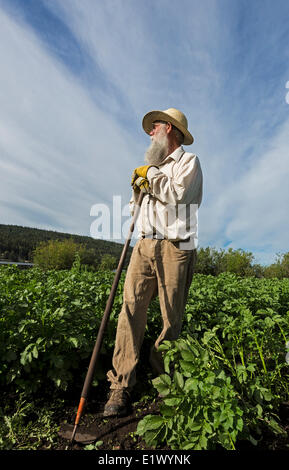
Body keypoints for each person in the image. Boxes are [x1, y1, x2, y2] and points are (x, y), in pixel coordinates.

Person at [103, 108, 203, 417]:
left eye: (155, 126)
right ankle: (120, 385)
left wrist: (151, 176)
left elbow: (179, 197)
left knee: (171, 316)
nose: (150, 132)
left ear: (170, 129)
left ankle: (163, 380)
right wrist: (137, 187)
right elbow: (140, 207)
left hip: (177, 244)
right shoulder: (151, 167)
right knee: (130, 309)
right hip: (145, 242)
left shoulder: (189, 162)